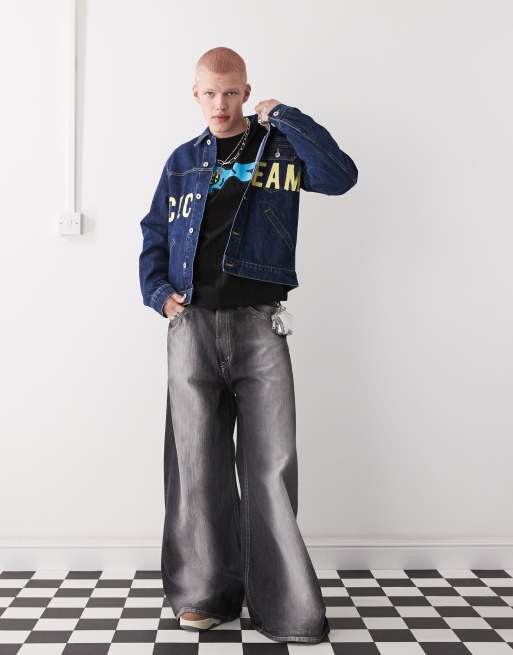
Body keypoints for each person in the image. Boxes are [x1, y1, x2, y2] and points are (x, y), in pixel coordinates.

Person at [138, 46, 358, 644]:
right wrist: (158, 293)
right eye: (210, 93)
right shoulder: (182, 162)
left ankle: (283, 607)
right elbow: (154, 230)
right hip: (191, 325)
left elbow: (340, 176)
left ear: (246, 91)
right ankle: (204, 595)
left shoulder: (277, 147)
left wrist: (284, 115)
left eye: (231, 92)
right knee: (196, 467)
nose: (221, 104)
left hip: (260, 325)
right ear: (195, 94)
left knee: (271, 468)